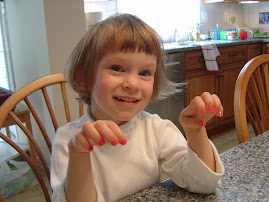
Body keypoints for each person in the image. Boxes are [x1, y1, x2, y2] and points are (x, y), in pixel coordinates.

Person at [50, 13, 224, 202]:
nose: (133, 84)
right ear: (83, 79)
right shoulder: (68, 140)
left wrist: (195, 130)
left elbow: (203, 183)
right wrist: (80, 154)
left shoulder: (155, 128)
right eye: (117, 68)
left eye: (144, 73)